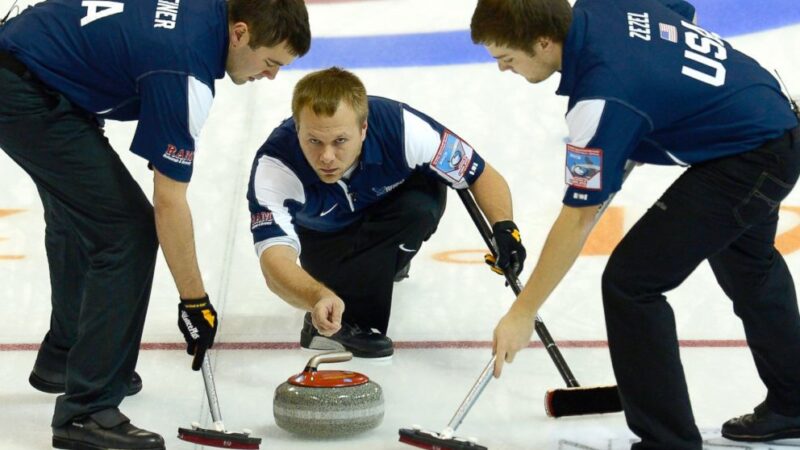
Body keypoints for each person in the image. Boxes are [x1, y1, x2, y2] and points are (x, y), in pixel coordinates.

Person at [470, 0, 800, 449]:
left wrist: (522, 311)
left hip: (751, 155)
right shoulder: (601, 6)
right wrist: (653, 112)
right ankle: (793, 402)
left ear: (543, 42)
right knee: (748, 263)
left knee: (631, 284)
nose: (503, 69)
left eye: (507, 58)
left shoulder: (602, 99)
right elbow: (680, 13)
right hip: (769, 117)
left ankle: (668, 442)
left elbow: (579, 217)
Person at [0, 0, 309, 447]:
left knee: (82, 215)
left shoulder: (205, 15)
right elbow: (168, 204)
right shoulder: (183, 70)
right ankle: (87, 410)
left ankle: (66, 356)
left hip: (38, 62)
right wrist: (194, 302)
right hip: (27, 86)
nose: (270, 76)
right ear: (239, 33)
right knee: (126, 233)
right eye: (270, 62)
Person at [247, 67, 526, 358]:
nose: (327, 156)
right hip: (325, 237)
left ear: (364, 129)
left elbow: (478, 173)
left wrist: (505, 228)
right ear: (297, 129)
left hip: (389, 206)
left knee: (424, 202)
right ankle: (331, 325)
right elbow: (274, 262)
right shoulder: (276, 167)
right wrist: (316, 296)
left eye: (340, 141)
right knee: (338, 302)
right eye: (314, 141)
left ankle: (389, 261)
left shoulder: (402, 129)